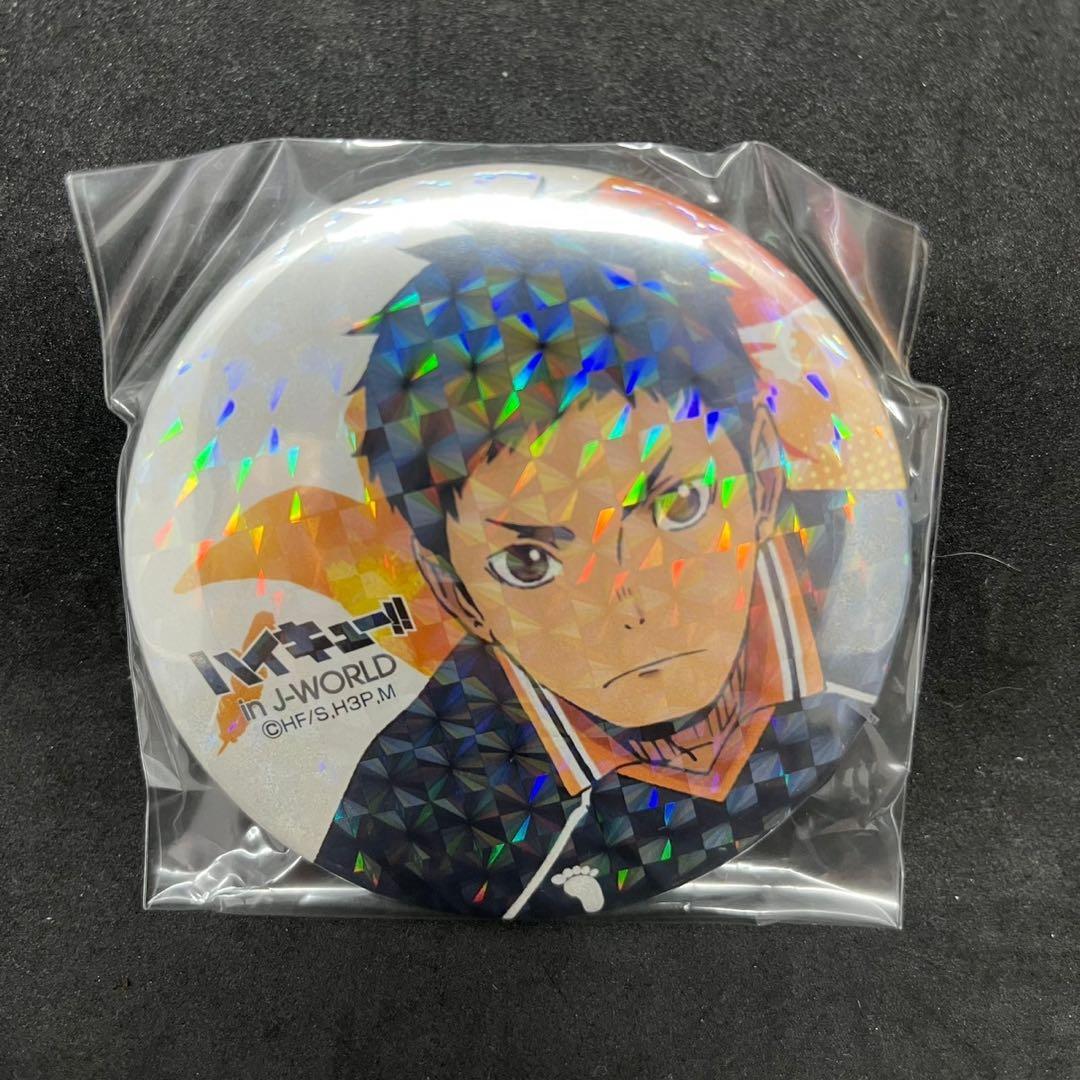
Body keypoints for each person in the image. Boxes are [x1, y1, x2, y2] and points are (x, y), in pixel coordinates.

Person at [315, 229, 869, 917]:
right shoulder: (413, 801)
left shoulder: (859, 601)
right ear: (456, 594)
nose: (629, 606)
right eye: (529, 562)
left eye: (678, 506)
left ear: (762, 472)